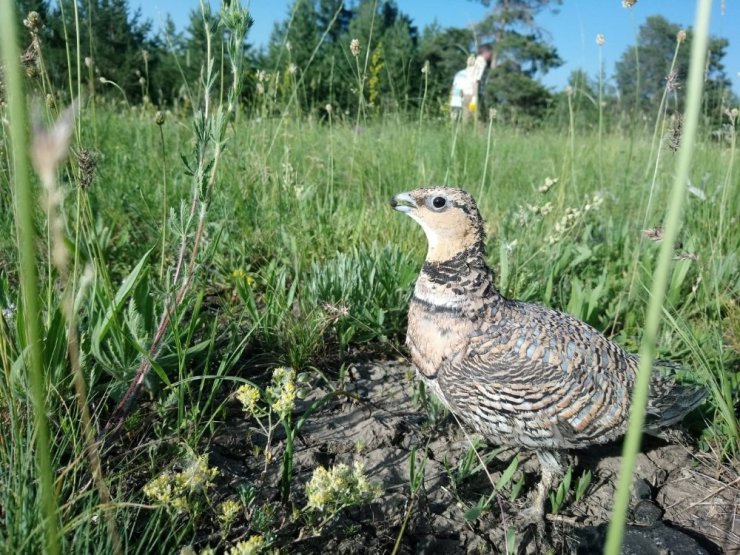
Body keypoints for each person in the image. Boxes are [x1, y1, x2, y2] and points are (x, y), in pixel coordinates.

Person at [449, 44, 493, 124]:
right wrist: (475, 97)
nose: (491, 56)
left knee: (466, 119)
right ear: (486, 52)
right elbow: (476, 80)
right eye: (490, 53)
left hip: (466, 94)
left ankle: (462, 135)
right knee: (479, 120)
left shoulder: (474, 62)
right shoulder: (481, 62)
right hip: (473, 94)